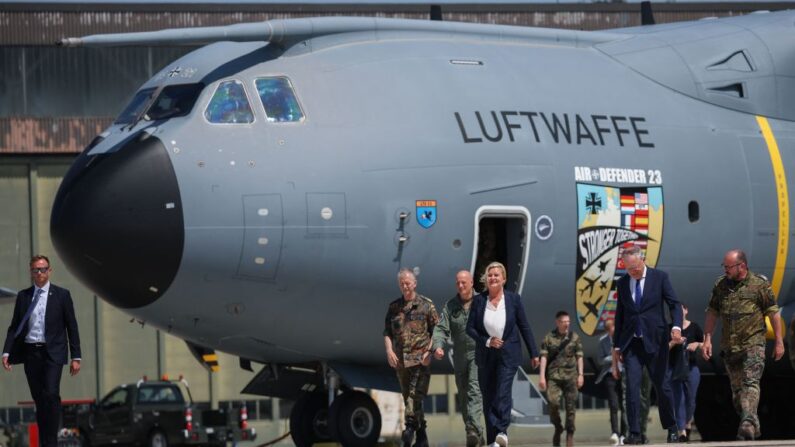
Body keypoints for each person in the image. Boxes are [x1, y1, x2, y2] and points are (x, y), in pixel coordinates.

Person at [702, 249, 784, 441]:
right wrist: (707, 339)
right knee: (738, 393)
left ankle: (747, 423)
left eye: (729, 266)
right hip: (730, 348)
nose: (726, 270)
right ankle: (752, 424)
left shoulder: (759, 285)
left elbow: (773, 312)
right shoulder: (720, 286)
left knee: (750, 383)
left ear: (742, 266)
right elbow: (712, 313)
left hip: (753, 344)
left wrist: (779, 341)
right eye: (724, 266)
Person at [2, 255, 81, 447]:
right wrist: (6, 353)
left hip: (53, 353)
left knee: (51, 394)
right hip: (31, 353)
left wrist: (76, 356)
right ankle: (45, 442)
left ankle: (51, 442)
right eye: (36, 269)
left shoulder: (62, 295)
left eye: (43, 269)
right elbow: (14, 327)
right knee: (40, 399)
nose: (40, 273)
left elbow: (72, 326)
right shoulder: (23, 296)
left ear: (50, 271)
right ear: (31, 272)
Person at [611, 245, 682, 444]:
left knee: (663, 386)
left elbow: (674, 304)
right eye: (627, 269)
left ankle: (672, 427)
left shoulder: (660, 278)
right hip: (632, 344)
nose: (631, 272)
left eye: (634, 268)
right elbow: (620, 316)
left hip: (656, 343)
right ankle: (635, 433)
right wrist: (617, 347)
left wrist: (676, 326)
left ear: (641, 260)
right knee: (631, 389)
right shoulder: (623, 283)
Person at [466, 261, 539, 447]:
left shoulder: (514, 300)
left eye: (497, 275)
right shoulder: (479, 300)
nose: (493, 278)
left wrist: (534, 353)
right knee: (488, 396)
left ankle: (501, 431)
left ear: (504, 279)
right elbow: (470, 328)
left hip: (509, 354)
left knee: (502, 392)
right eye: (490, 275)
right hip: (486, 355)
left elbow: (524, 326)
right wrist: (487, 340)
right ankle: (493, 440)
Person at [384, 268, 439, 447]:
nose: (405, 286)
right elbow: (387, 332)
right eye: (402, 284)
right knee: (408, 396)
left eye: (408, 283)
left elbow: (437, 332)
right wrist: (389, 351)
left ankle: (408, 429)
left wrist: (429, 352)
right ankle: (422, 436)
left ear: (414, 284)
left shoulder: (426, 305)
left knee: (414, 396)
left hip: (420, 360)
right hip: (401, 361)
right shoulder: (394, 307)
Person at [432, 270, 485, 447]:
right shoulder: (451, 306)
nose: (461, 286)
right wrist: (438, 346)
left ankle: (473, 430)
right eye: (458, 283)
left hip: (479, 355)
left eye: (464, 282)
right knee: (462, 397)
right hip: (460, 357)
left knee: (474, 391)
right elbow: (441, 328)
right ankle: (477, 435)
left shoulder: (483, 302)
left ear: (471, 283)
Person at [538, 311, 584, 447]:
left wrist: (581, 374)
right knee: (553, 403)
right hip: (554, 377)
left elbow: (579, 357)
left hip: (571, 377)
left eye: (568, 322)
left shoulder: (574, 338)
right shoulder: (549, 338)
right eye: (564, 322)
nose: (567, 324)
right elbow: (544, 358)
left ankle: (570, 434)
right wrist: (542, 377)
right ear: (557, 322)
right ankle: (558, 427)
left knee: (571, 408)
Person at [670, 303, 703, 442]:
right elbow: (661, 350)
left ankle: (688, 421)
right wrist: (673, 342)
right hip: (674, 368)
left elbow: (705, 344)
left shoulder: (694, 327)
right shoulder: (669, 329)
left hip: (691, 367)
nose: (678, 312)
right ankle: (682, 430)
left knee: (691, 399)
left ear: (686, 311)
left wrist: (696, 344)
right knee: (678, 399)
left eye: (681, 309)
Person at [596, 319, 626, 446]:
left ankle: (624, 434)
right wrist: (613, 356)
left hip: (624, 374)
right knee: (613, 405)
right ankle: (615, 433)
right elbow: (600, 360)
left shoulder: (624, 337)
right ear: (608, 331)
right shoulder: (602, 341)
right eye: (612, 331)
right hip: (609, 374)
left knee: (625, 405)